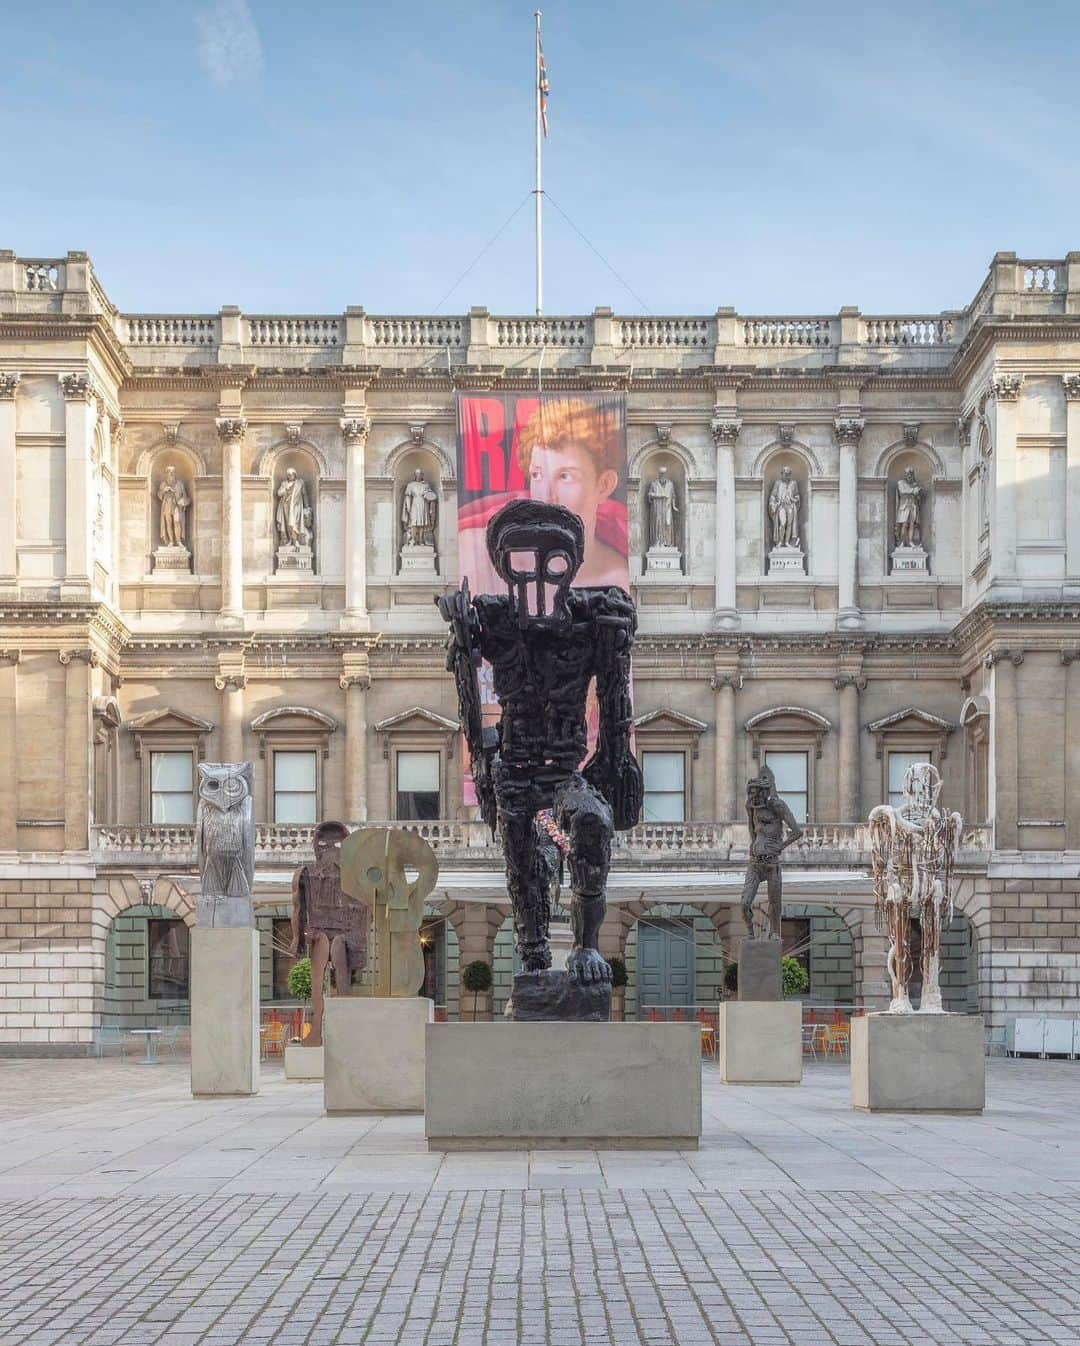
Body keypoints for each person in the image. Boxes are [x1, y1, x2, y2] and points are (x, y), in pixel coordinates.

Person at [515, 398, 624, 587]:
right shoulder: (491, 560)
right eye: (537, 474)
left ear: (604, 485)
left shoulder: (617, 577)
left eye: (565, 476)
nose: (547, 497)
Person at [276, 467, 311, 547]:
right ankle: (291, 540)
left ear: (295, 474)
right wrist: (286, 489)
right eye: (288, 475)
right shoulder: (284, 483)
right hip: (286, 506)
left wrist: (307, 507)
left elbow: (304, 494)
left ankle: (296, 540)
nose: (290, 476)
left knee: (295, 523)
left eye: (291, 474)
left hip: (297, 506)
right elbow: (279, 493)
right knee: (289, 523)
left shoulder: (300, 482)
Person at [157, 465, 189, 548]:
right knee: (168, 523)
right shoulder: (163, 484)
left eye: (173, 472)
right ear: (166, 473)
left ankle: (178, 541)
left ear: (175, 473)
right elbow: (159, 495)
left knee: (177, 521)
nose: (171, 473)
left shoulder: (180, 484)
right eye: (169, 472)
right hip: (167, 505)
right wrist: (164, 490)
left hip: (177, 505)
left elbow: (185, 496)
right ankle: (171, 541)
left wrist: (182, 500)